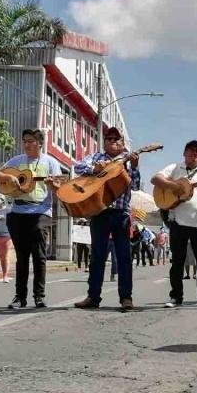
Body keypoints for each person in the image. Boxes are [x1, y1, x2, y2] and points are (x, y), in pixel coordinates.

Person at [0, 129, 62, 309]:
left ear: (40, 143)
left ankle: (39, 296)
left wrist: (52, 184)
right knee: (21, 257)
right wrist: (8, 177)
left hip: (41, 212)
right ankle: (19, 297)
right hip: (17, 212)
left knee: (38, 256)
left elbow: (59, 189)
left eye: (30, 141)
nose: (27, 144)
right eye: (24, 141)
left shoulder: (51, 162)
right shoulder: (17, 161)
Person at [73, 127, 140, 310]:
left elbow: (135, 186)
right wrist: (95, 167)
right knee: (97, 256)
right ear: (104, 142)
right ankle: (93, 297)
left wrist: (133, 167)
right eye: (109, 138)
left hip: (121, 214)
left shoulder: (127, 160)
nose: (112, 141)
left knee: (124, 257)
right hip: (99, 212)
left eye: (116, 139)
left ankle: (126, 298)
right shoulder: (96, 157)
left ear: (122, 142)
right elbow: (77, 166)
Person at [151, 140, 197, 307]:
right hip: (178, 222)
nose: (194, 154)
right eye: (190, 151)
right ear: (184, 153)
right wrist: (174, 186)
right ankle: (176, 296)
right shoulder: (175, 168)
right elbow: (155, 179)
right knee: (177, 262)